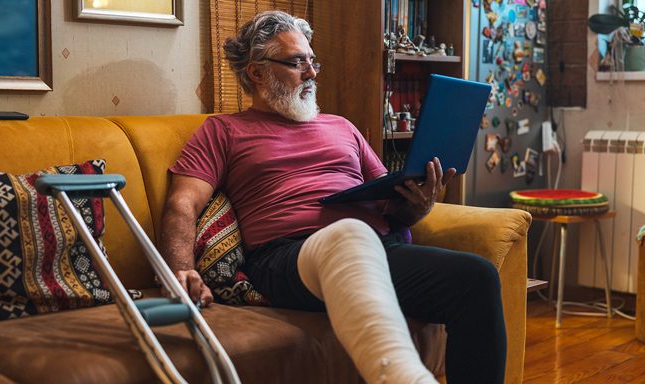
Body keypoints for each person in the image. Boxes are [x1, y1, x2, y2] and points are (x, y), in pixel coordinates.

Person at [159, 10, 506, 384]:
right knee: (348, 236)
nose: (311, 74)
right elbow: (182, 204)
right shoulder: (223, 130)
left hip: (377, 249)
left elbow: (393, 205)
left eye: (312, 62)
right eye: (297, 63)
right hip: (286, 259)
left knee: (476, 276)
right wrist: (180, 270)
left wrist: (418, 204)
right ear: (257, 72)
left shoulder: (341, 126)